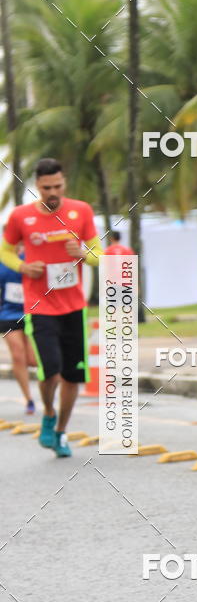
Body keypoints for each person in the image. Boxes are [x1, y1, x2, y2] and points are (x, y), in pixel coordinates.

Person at [0, 157, 103, 457]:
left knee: (73, 376)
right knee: (51, 372)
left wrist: (83, 253)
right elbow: (5, 251)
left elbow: (101, 253)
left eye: (57, 186)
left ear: (64, 182)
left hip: (73, 307)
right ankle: (47, 412)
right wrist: (23, 266)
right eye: (46, 188)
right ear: (37, 186)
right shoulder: (21, 217)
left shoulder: (80, 211)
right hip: (39, 306)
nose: (52, 192)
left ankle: (60, 432)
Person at [0, 246, 36, 413]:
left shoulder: (32, 254)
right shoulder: (2, 257)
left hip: (32, 311)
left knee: (33, 360)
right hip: (7, 314)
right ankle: (28, 398)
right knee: (17, 354)